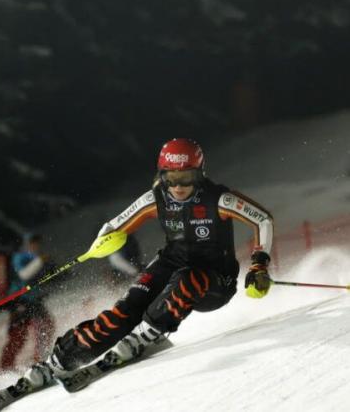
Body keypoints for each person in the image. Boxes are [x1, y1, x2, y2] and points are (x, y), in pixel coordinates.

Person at [23, 138, 274, 385]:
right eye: (171, 178)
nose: (178, 187)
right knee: (124, 311)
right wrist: (102, 243)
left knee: (187, 279)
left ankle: (147, 334)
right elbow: (114, 226)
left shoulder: (219, 199)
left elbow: (262, 219)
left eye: (186, 178)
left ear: (199, 174)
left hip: (214, 280)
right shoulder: (155, 198)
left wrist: (259, 265)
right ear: (162, 175)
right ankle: (61, 359)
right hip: (172, 262)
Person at [0, 233, 56, 371]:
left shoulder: (36, 256)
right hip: (19, 300)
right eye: (32, 243)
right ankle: (6, 368)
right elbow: (23, 274)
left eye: (36, 243)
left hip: (33, 300)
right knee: (18, 335)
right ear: (26, 244)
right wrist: (39, 262)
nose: (35, 246)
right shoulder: (19, 257)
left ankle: (41, 357)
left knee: (46, 325)